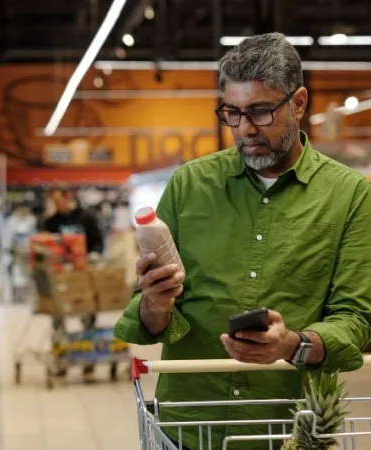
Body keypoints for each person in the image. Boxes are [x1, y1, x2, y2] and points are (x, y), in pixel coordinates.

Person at [114, 32, 371, 450]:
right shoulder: (189, 185)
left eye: (261, 111)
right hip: (189, 427)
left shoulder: (349, 195)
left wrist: (292, 344)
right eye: (231, 113)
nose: (244, 128)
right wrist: (154, 303)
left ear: (299, 103)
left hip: (286, 429)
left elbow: (356, 319)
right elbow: (148, 319)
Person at [42, 188, 105, 379]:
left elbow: (98, 241)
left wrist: (94, 255)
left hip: (83, 275)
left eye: (59, 200)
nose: (56, 205)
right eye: (54, 202)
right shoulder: (51, 222)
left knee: (88, 317)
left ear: (69, 198)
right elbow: (43, 245)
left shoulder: (86, 218)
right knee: (58, 319)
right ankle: (61, 360)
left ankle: (88, 360)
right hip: (60, 277)